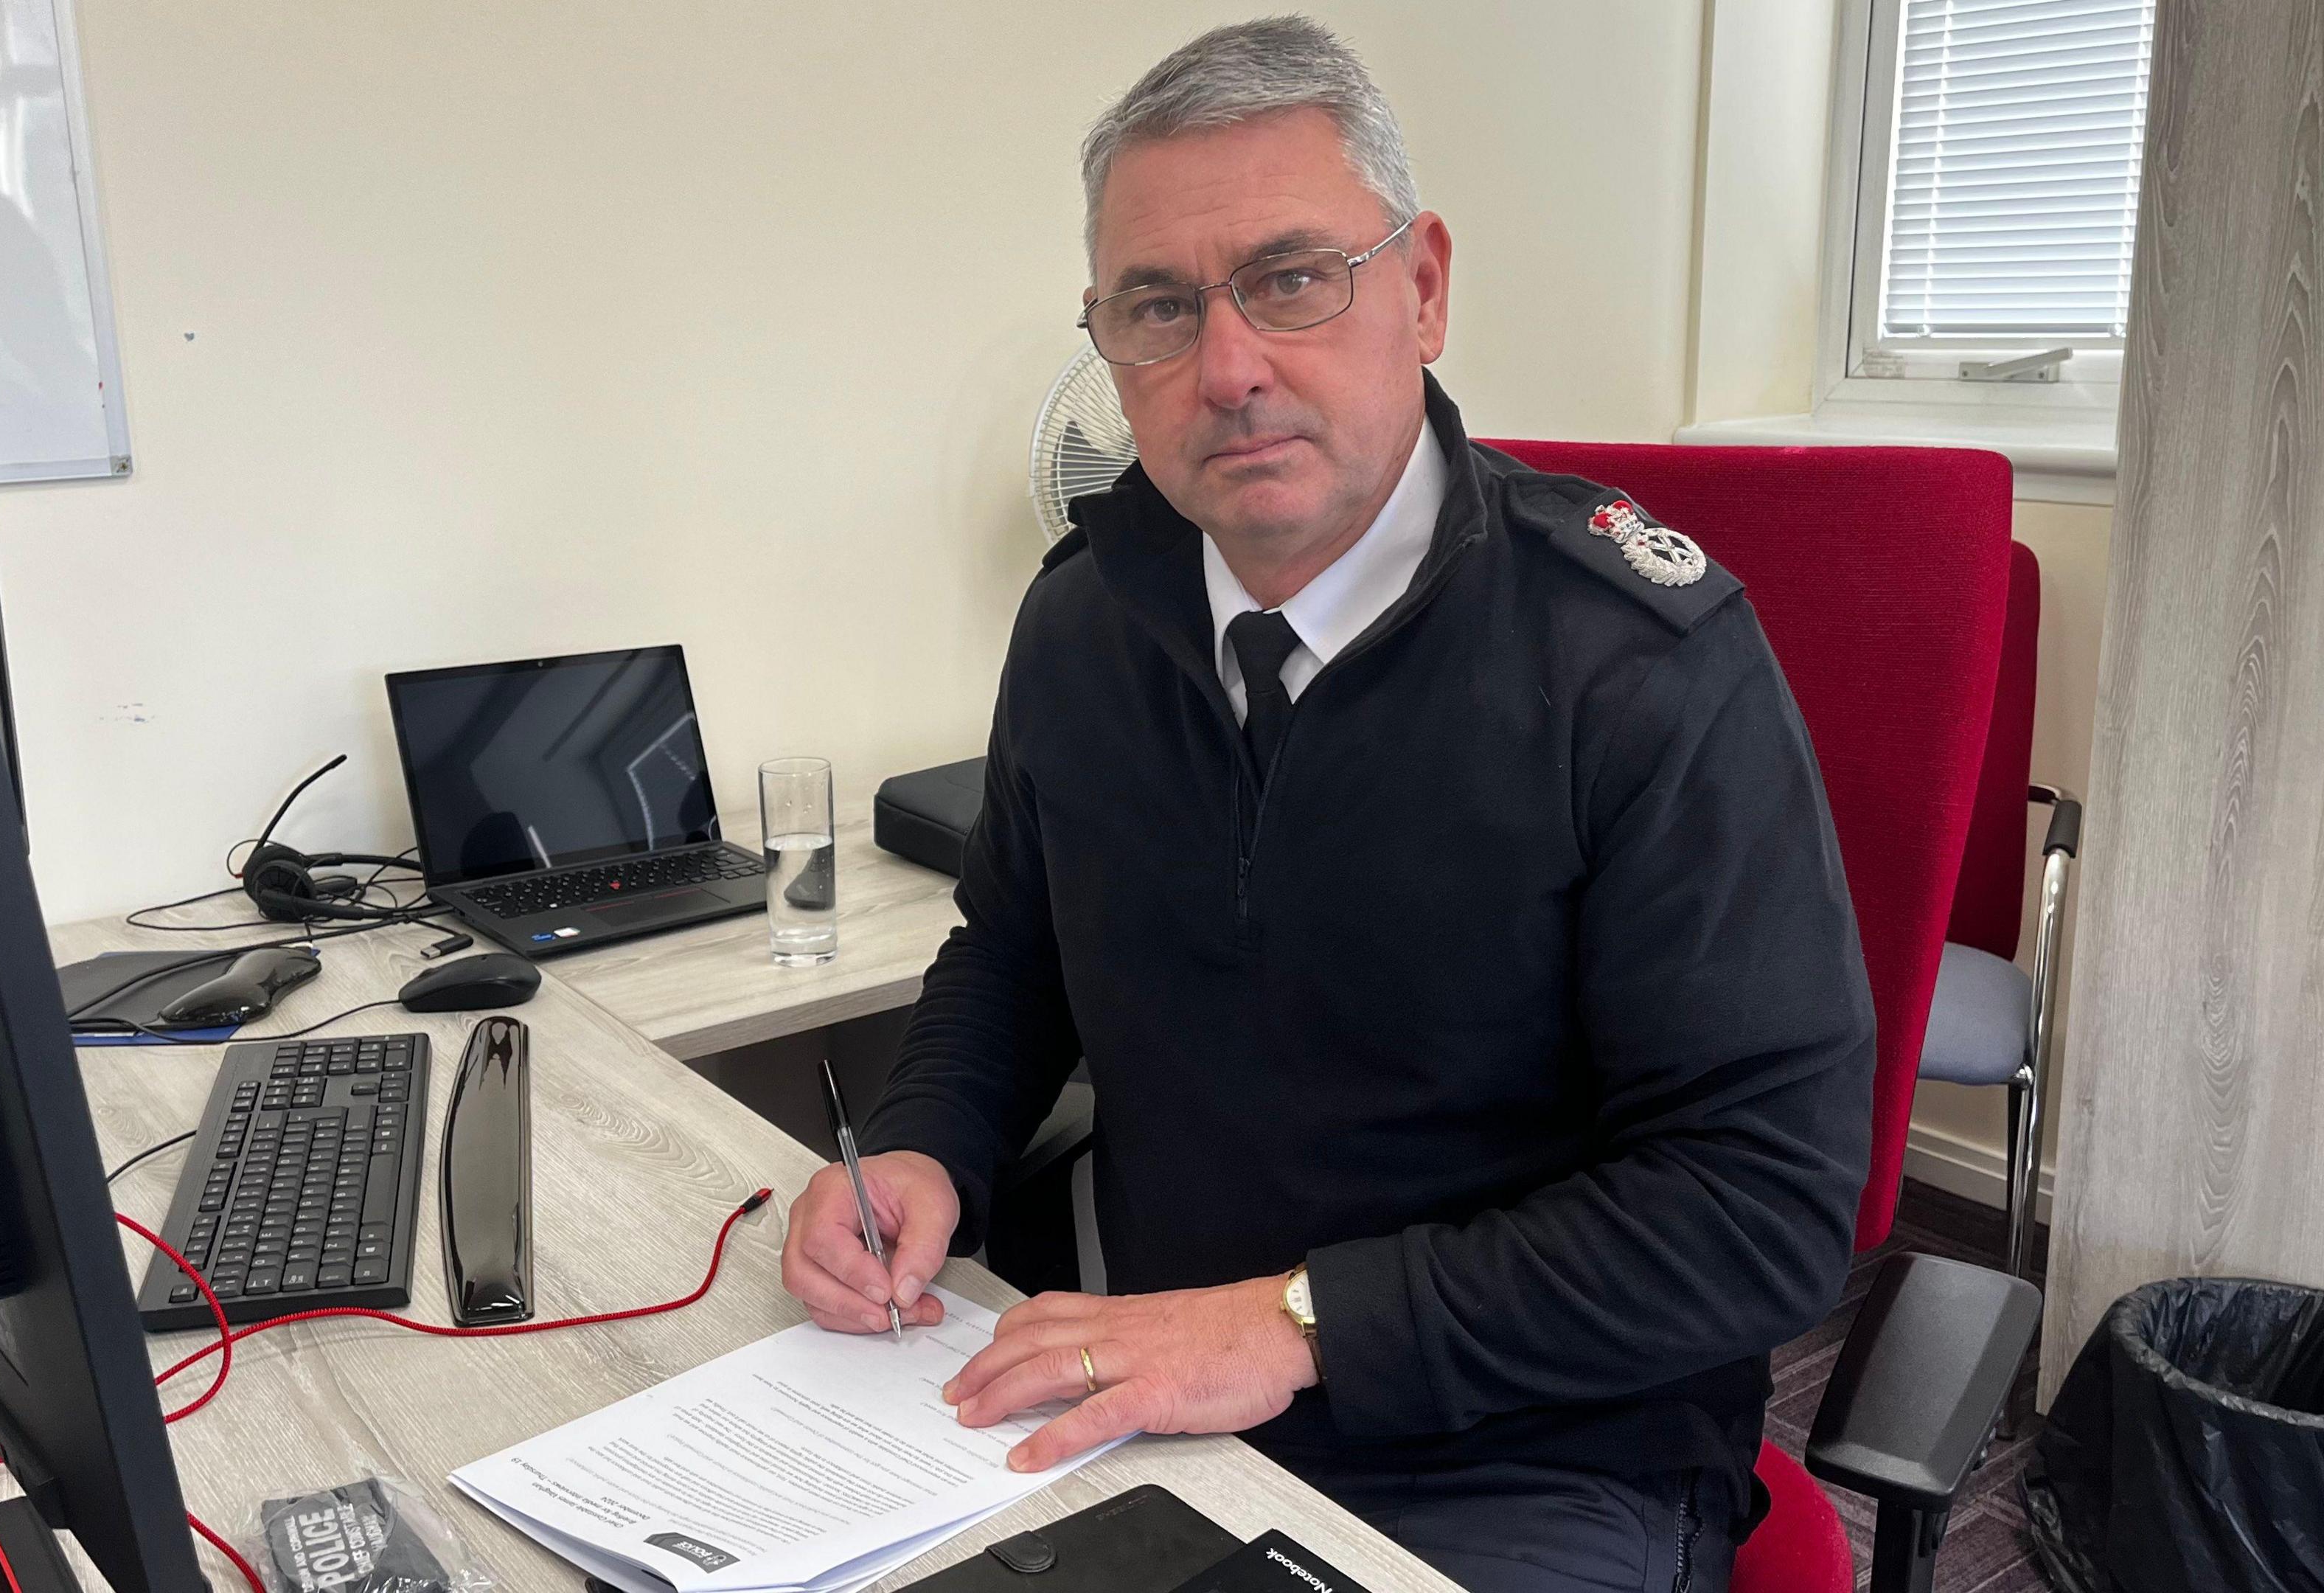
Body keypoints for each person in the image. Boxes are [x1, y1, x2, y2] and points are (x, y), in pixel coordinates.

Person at [779, 17, 1874, 1592]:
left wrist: (1297, 1322)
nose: (1227, 369)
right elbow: (1013, 958)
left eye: (1292, 278)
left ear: (1420, 287)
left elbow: (1759, 1209)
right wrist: (922, 1150)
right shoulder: (1083, 623)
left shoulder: (1643, 666)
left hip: (1529, 1450)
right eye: (1158, 307)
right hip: (1142, 1381)